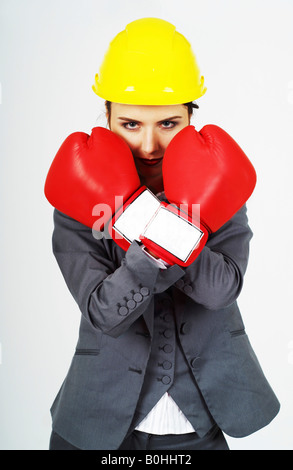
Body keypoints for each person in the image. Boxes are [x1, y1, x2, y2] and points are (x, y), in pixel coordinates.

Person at [45, 18, 280, 451]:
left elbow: (222, 288)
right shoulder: (78, 197)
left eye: (168, 123)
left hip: (202, 424)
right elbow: (104, 312)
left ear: (191, 116)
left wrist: (153, 222)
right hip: (100, 420)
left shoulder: (216, 187)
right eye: (130, 124)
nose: (149, 145)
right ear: (108, 117)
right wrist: (141, 217)